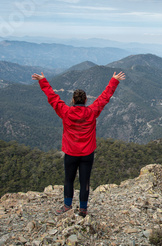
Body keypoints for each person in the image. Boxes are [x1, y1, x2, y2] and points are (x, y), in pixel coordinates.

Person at [32, 71, 125, 217]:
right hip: (87, 153)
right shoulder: (92, 112)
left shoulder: (66, 112)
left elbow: (53, 98)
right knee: (84, 182)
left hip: (71, 153)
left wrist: (43, 80)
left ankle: (67, 206)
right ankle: (83, 209)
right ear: (86, 100)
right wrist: (114, 80)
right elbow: (104, 97)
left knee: (69, 180)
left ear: (73, 100)